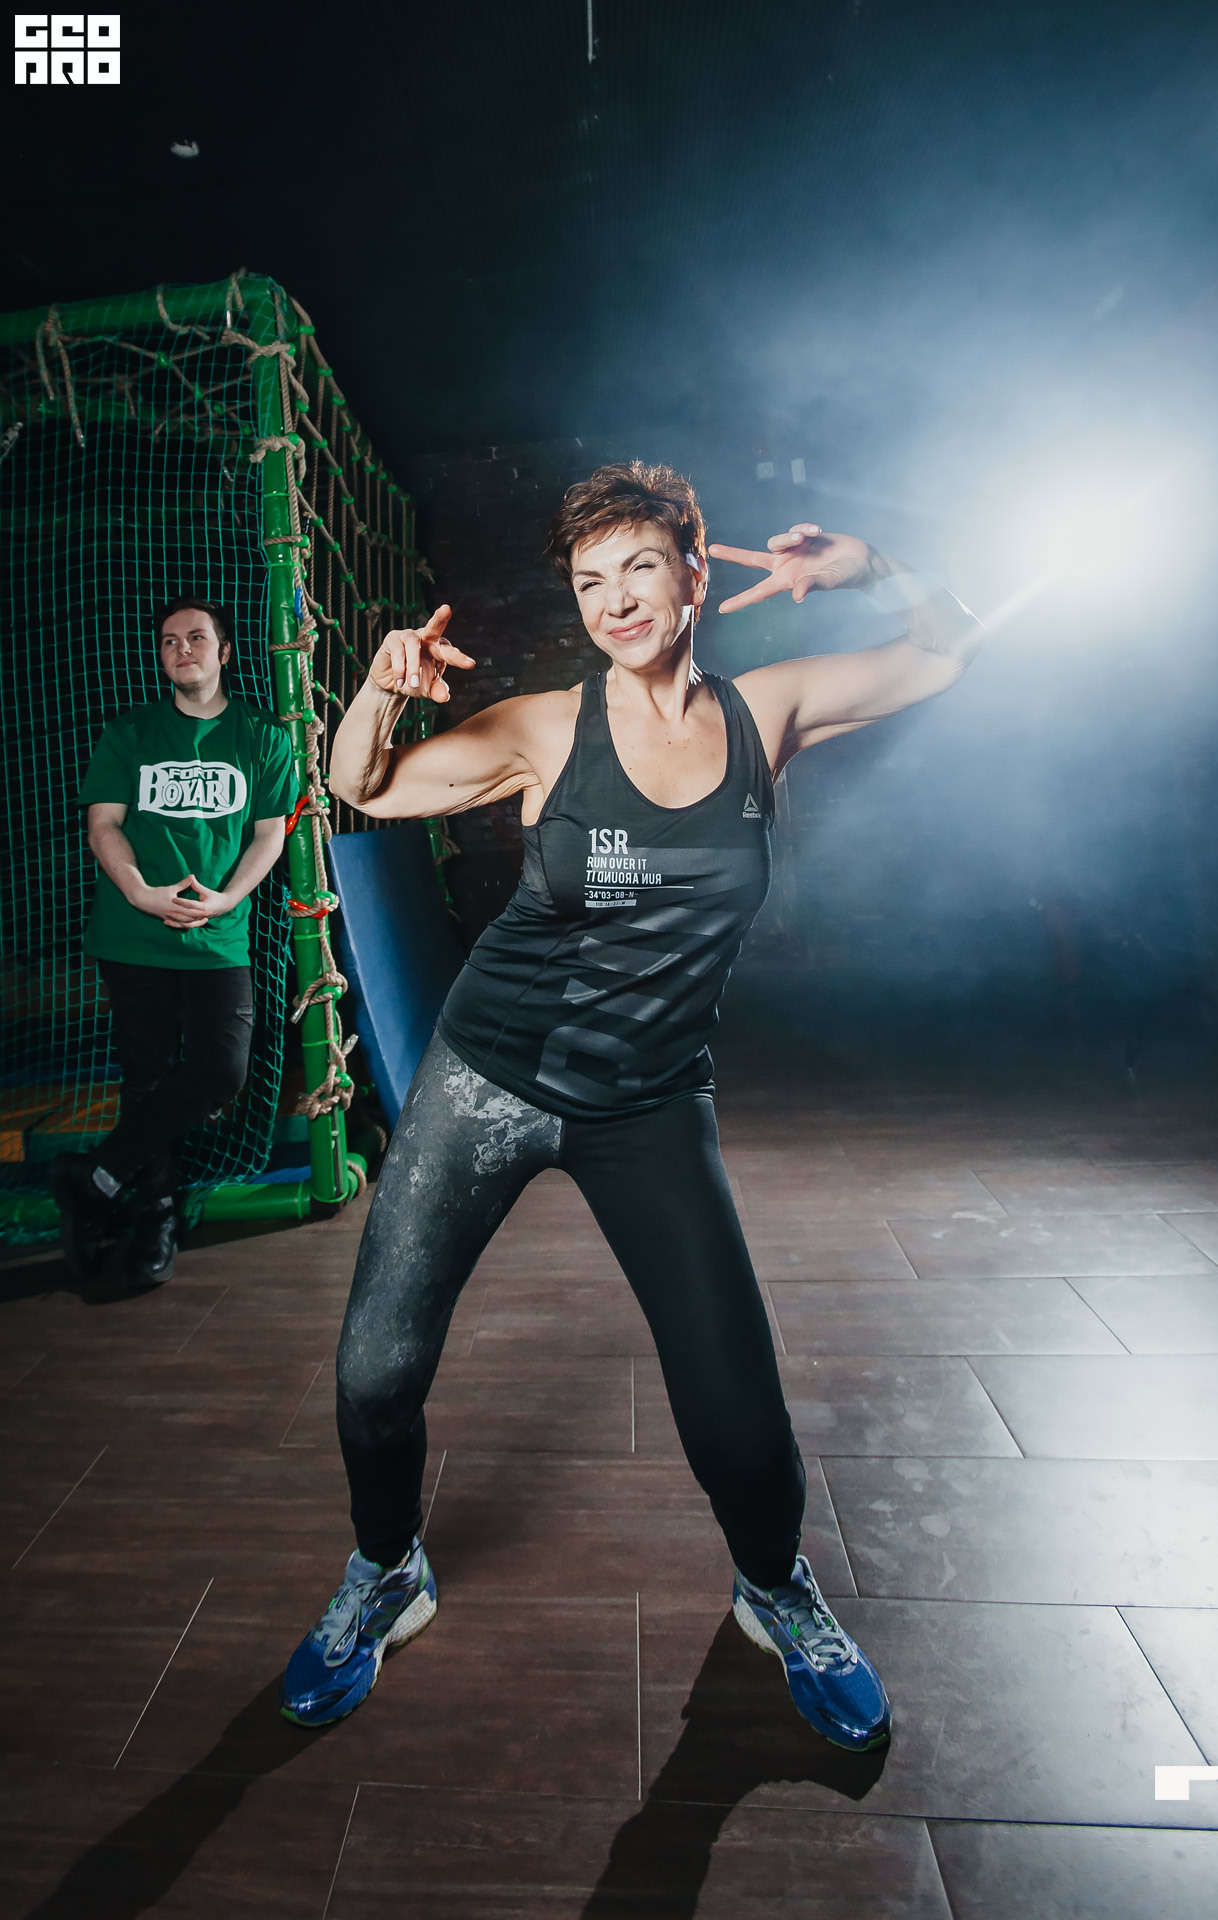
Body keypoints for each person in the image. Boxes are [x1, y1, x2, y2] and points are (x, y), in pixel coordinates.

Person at [281, 463, 983, 1749]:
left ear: (692, 573)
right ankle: (384, 1568)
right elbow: (363, 789)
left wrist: (875, 567)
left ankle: (774, 1589)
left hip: (649, 1097)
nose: (614, 600)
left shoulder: (767, 712)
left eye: (639, 568)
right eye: (589, 580)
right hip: (487, 1077)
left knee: (737, 1412)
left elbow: (946, 651)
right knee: (375, 1374)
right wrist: (379, 692)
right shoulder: (548, 730)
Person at [55, 599, 298, 1290]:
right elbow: (104, 824)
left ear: (225, 652)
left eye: (196, 637)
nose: (182, 648)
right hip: (134, 933)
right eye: (169, 641)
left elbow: (269, 835)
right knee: (146, 1078)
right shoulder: (130, 731)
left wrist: (227, 899)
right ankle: (154, 1215)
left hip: (217, 933)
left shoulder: (262, 736)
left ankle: (95, 1181)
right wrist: (139, 892)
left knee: (222, 1072)